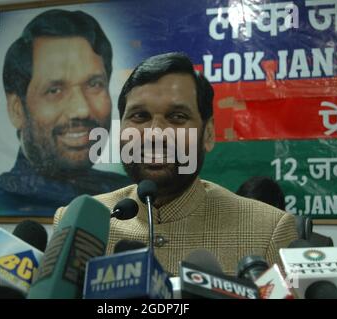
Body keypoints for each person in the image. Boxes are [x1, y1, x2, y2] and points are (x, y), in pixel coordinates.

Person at [53, 52, 298, 276]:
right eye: (140, 116)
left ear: (208, 134)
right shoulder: (80, 223)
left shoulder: (267, 229)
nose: (155, 134)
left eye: (177, 117)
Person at [0, 9, 130, 217]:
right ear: (17, 110)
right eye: (54, 90)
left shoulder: (129, 197)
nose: (81, 109)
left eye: (94, 84)